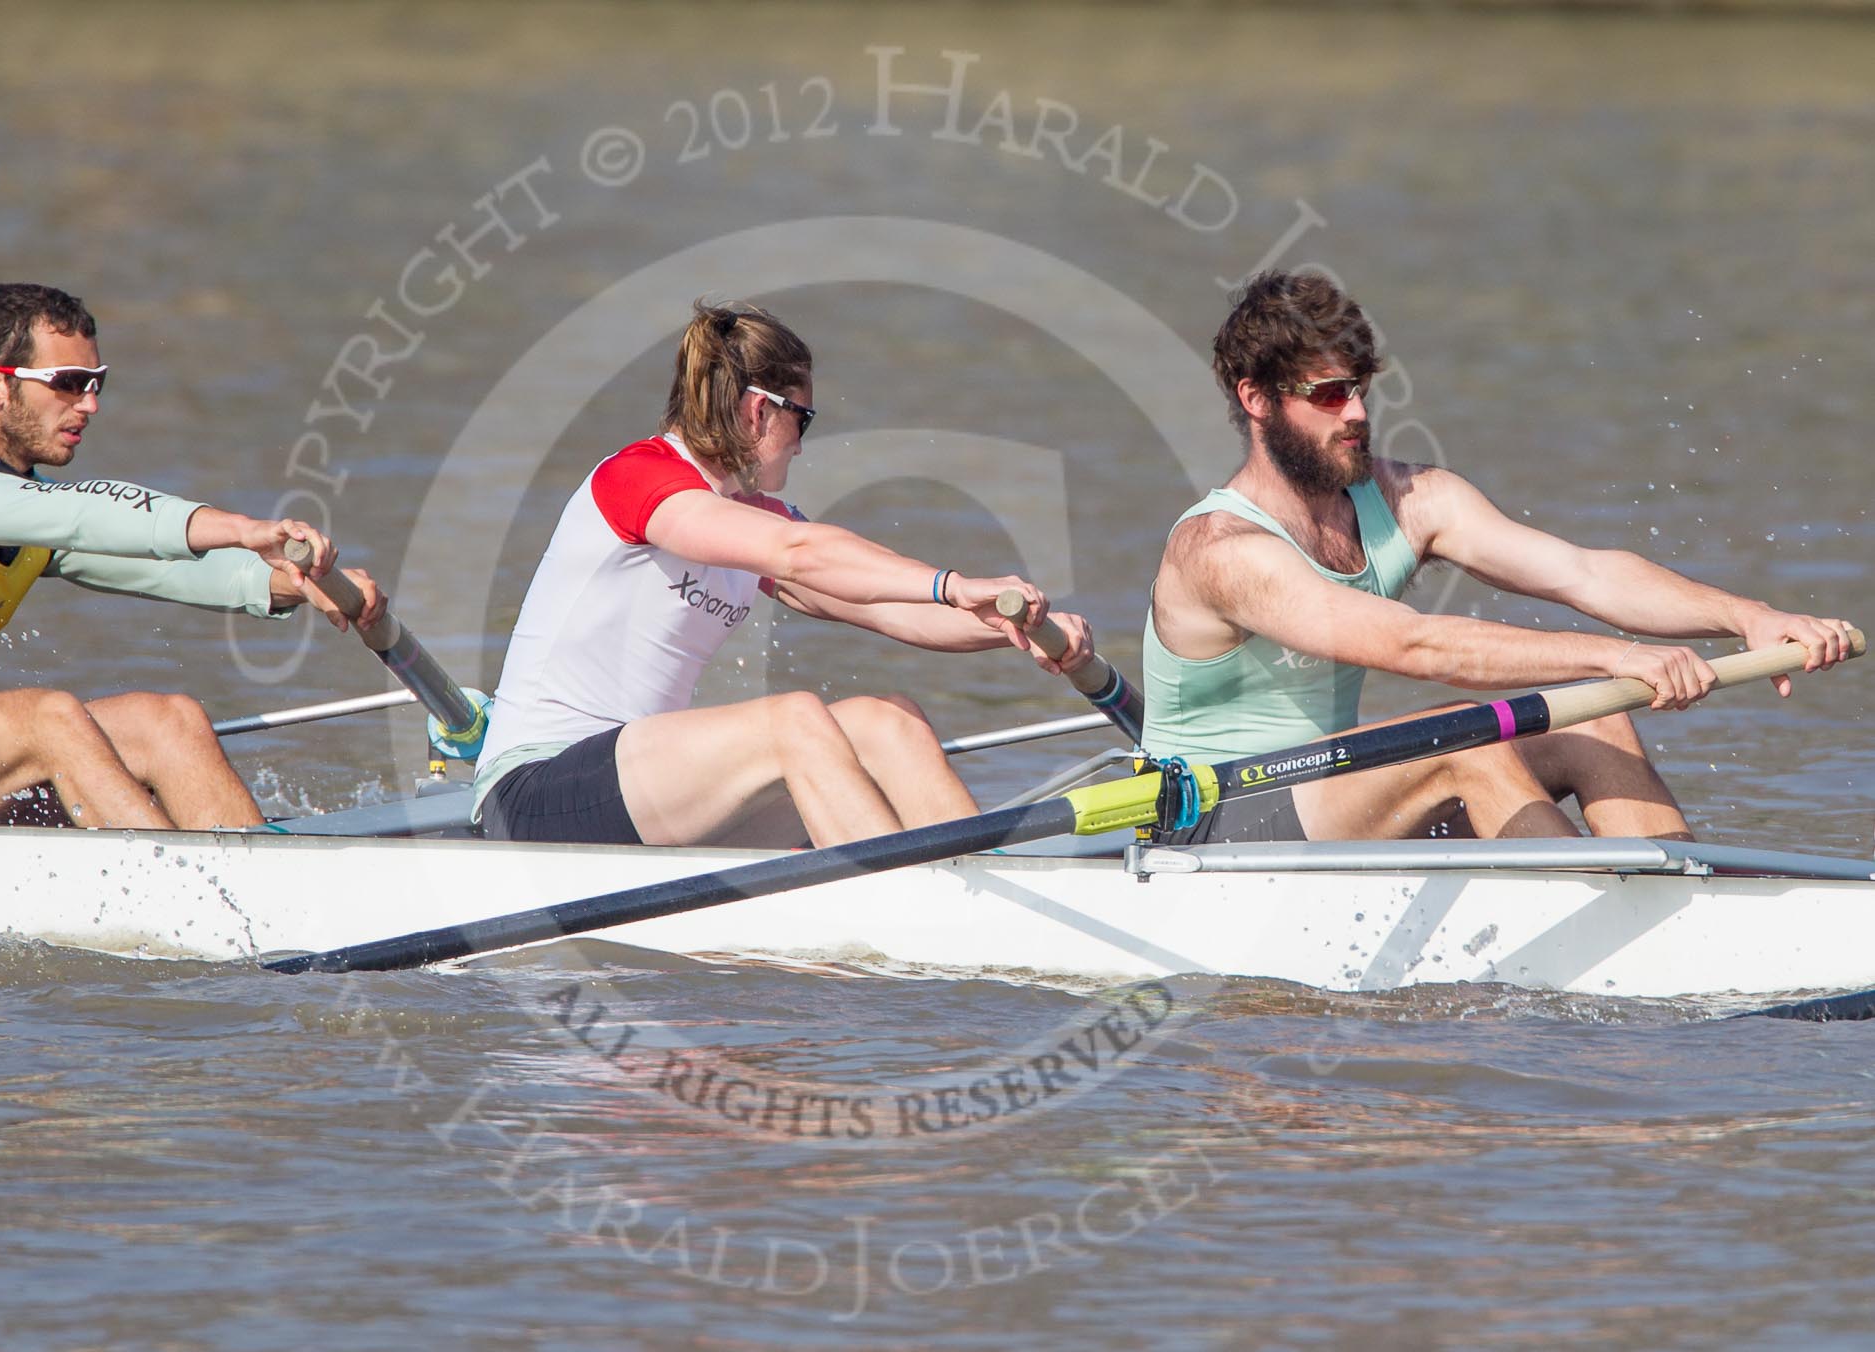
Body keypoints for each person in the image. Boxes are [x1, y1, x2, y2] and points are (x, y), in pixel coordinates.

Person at [1143, 269, 1855, 843]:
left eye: (1359, 388)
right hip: (1213, 820)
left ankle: (1677, 906)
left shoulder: (1408, 499)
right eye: (1328, 395)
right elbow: (1415, 645)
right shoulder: (1222, 550)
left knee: (1591, 720)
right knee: (1464, 739)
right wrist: (1617, 656)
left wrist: (1748, 616)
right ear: (1257, 399)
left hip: (1335, 791)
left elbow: (1585, 573)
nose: (1356, 412)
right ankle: (1601, 920)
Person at [473, 300, 1095, 849]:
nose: (801, 442)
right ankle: (903, 906)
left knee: (889, 722)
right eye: (803, 418)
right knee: (792, 720)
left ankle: (981, 891)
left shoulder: (753, 519)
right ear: (757, 411)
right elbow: (800, 551)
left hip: (646, 793)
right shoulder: (638, 477)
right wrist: (954, 583)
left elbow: (886, 605)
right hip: (534, 792)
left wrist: (1012, 625)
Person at [0, 283, 385, 831]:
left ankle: (261, 874)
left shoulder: (31, 511)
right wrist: (245, 529)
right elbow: (84, 512)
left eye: (95, 383)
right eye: (68, 382)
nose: (89, 404)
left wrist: (291, 581)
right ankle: (188, 880)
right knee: (48, 717)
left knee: (169, 721)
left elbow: (164, 563)